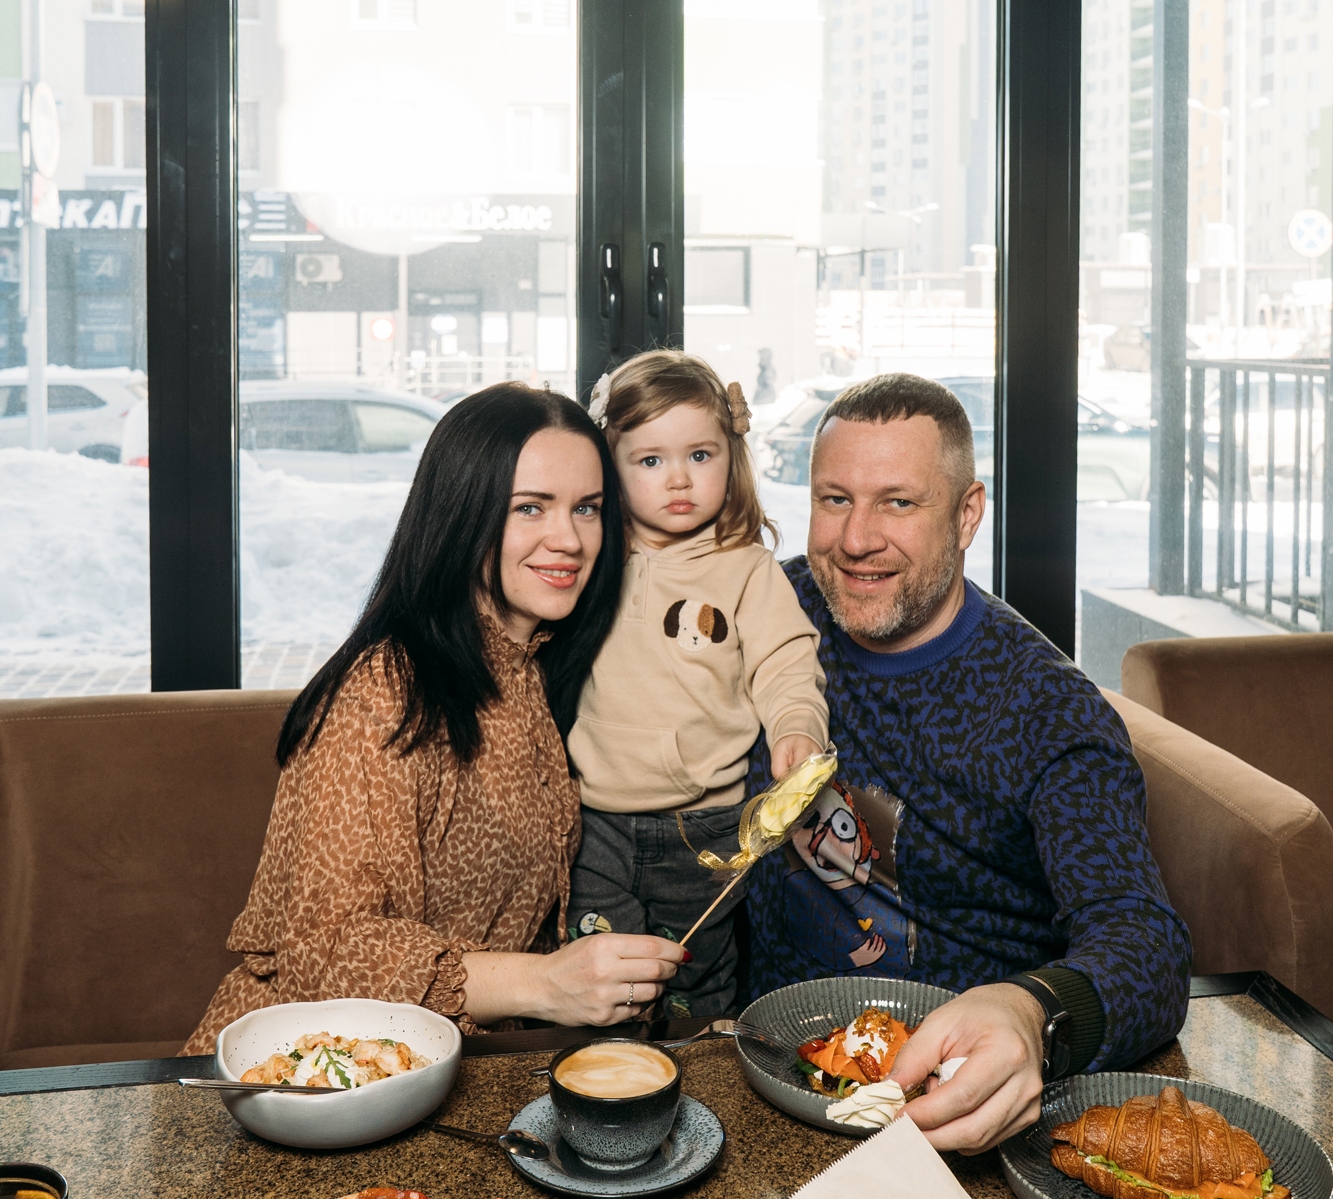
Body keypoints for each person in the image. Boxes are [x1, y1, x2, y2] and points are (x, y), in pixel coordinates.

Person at [745, 373, 1191, 1152]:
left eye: (897, 502)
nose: (855, 539)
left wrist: (1030, 1014)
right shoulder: (778, 614)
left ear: (966, 515)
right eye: (834, 499)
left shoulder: (1047, 711)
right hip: (754, 1071)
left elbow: (1146, 949)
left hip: (944, 1113)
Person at [181, 384, 685, 1054]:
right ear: (460, 513)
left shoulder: (533, 665)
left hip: (454, 1063)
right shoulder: (383, 691)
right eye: (529, 507)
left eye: (586, 508)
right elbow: (326, 953)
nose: (568, 539)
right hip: (306, 1072)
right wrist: (544, 984)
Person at [565, 351, 829, 1017]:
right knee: (607, 978)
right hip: (593, 819)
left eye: (700, 455)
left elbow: (786, 662)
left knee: (695, 980)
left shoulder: (746, 569)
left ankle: (698, 1070)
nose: (678, 478)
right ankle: (610, 1074)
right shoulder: (588, 558)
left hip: (705, 826)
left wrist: (797, 727)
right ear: (610, 467)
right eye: (650, 460)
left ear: (731, 459)